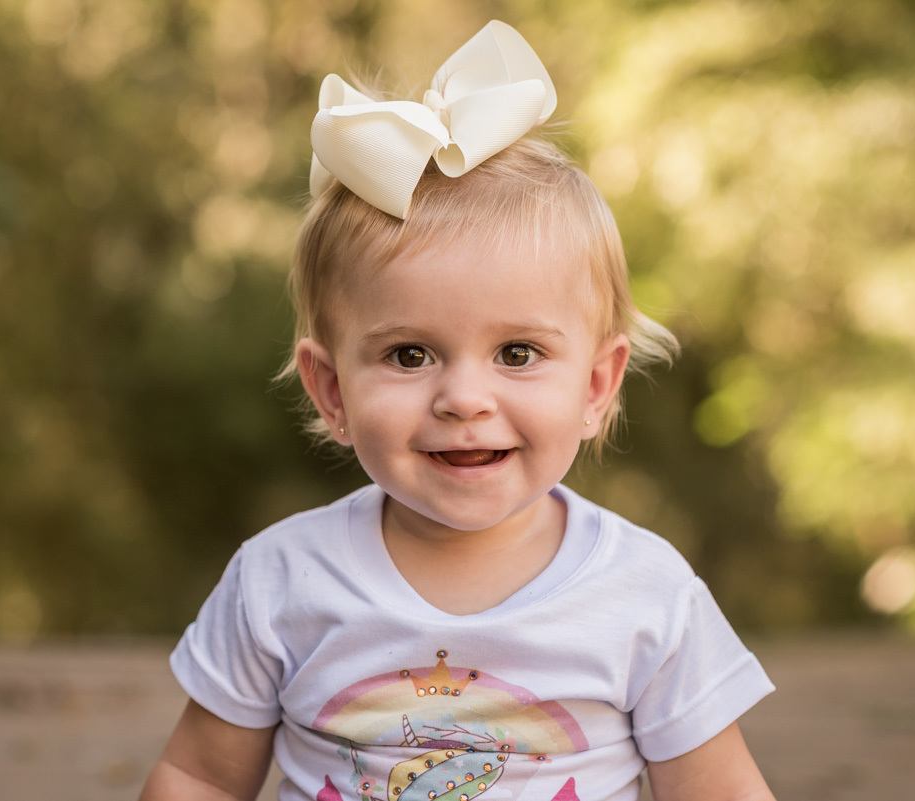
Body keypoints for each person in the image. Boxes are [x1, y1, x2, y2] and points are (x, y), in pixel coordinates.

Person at [141, 20, 776, 801]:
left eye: (518, 353)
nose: (465, 399)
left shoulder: (646, 596)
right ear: (333, 390)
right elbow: (199, 774)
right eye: (410, 354)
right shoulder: (279, 583)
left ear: (595, 386)